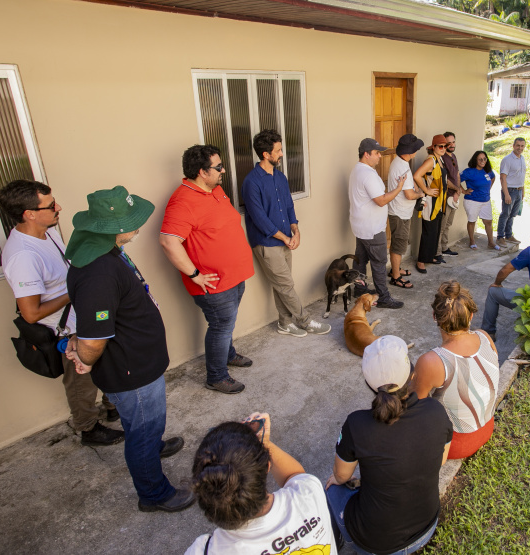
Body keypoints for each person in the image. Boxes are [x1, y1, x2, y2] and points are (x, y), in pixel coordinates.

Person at [65, 186, 192, 513]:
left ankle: (153, 447)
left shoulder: (103, 250)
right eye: (133, 221)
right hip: (131, 373)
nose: (139, 226)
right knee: (143, 432)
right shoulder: (98, 273)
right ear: (116, 228)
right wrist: (82, 356)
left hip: (139, 363)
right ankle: (154, 493)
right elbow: (94, 339)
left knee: (148, 426)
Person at [0, 179, 124, 447]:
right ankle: (88, 428)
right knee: (81, 382)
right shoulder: (22, 256)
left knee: (106, 363)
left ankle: (112, 405)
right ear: (29, 214)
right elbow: (31, 314)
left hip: (85, 317)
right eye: (51, 205)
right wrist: (77, 289)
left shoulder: (47, 231)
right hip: (66, 330)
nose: (59, 208)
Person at [325, 336, 452, 555]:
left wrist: (340, 480)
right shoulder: (436, 410)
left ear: (368, 383)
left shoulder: (356, 424)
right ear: (411, 375)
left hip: (375, 545)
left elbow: (342, 476)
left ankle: (333, 546)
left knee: (330, 488)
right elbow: (439, 460)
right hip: (427, 527)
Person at [160, 145, 255, 394]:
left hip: (234, 275)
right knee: (221, 325)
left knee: (228, 321)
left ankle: (228, 354)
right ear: (202, 172)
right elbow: (169, 241)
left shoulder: (216, 190)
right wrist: (194, 275)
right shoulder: (182, 201)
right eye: (218, 167)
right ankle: (216, 376)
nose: (223, 170)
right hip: (213, 283)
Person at [186, 413, 337, 554]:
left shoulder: (204, 550)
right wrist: (265, 444)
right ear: (267, 466)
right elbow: (295, 476)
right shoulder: (308, 495)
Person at [243, 129, 331, 338]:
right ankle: (305, 321)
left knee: (281, 285)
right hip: (266, 242)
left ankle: (284, 323)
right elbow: (259, 219)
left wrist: (296, 230)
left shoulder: (280, 177)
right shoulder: (251, 182)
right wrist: (284, 237)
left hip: (285, 238)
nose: (282, 154)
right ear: (266, 154)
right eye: (278, 150)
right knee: (286, 285)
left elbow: (289, 206)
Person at [413, 281, 500, 460]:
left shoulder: (432, 361)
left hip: (455, 445)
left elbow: (415, 406)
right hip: (487, 428)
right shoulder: (485, 337)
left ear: (434, 316)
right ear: (471, 316)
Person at [348, 138, 405, 309]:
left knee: (360, 260)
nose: (380, 156)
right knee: (379, 264)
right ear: (366, 154)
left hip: (360, 226)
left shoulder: (357, 170)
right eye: (377, 153)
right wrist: (399, 188)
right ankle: (383, 298)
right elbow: (381, 201)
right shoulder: (367, 174)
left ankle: (359, 289)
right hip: (372, 229)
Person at [386, 133, 425, 289]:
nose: (417, 151)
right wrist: (421, 194)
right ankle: (395, 277)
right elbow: (409, 195)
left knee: (399, 243)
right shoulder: (401, 166)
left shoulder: (400, 162)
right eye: (416, 149)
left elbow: (408, 188)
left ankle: (396, 269)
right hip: (400, 213)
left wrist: (414, 188)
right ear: (410, 151)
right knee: (398, 246)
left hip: (401, 211)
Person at [412, 134, 450, 274]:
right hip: (431, 202)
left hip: (440, 201)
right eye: (440, 146)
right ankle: (421, 260)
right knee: (429, 232)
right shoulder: (431, 160)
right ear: (433, 147)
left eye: (445, 146)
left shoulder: (440, 160)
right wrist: (426, 190)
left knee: (435, 230)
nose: (443, 148)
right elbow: (417, 176)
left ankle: (430, 256)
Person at [460, 150, 498, 251]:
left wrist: (487, 189)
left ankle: (491, 242)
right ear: (475, 160)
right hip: (472, 201)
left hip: (486, 201)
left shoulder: (488, 171)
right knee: (472, 221)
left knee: (488, 222)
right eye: (480, 159)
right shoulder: (469, 171)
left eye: (484, 159)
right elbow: (457, 180)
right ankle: (472, 241)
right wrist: (463, 191)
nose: (483, 161)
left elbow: (493, 178)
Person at [497, 137, 527, 246]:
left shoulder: (522, 158)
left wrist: (522, 191)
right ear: (513, 146)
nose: (520, 148)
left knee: (513, 215)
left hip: (519, 190)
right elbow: (502, 178)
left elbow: (522, 176)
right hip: (510, 190)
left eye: (522, 146)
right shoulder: (507, 160)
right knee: (505, 214)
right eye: (518, 145)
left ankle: (509, 235)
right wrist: (506, 194)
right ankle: (500, 237)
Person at [436, 131, 461, 260]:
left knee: (448, 225)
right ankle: (438, 252)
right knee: (441, 225)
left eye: (453, 142)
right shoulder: (442, 158)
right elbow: (444, 179)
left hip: (454, 197)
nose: (451, 145)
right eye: (448, 143)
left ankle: (444, 248)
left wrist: (459, 189)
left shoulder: (453, 156)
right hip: (446, 197)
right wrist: (456, 189)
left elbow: (456, 174)